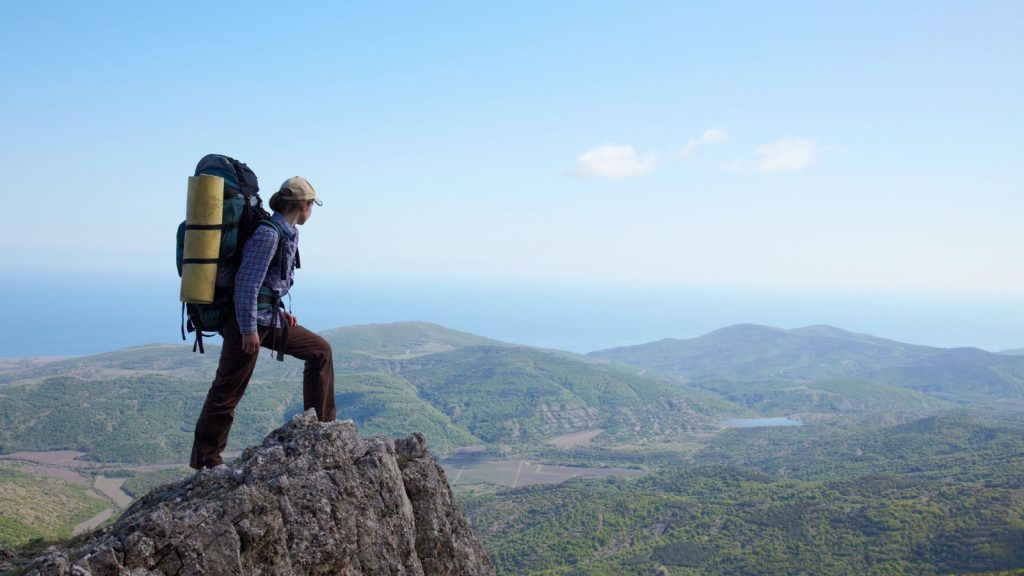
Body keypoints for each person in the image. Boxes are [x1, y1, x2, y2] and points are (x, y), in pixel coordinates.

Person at [189, 176, 336, 470]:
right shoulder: (269, 235)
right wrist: (248, 330)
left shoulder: (286, 232)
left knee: (320, 351)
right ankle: (206, 460)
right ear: (303, 205)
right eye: (311, 205)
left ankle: (319, 431)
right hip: (248, 324)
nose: (312, 211)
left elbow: (268, 282)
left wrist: (279, 309)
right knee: (227, 390)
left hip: (269, 318)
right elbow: (246, 283)